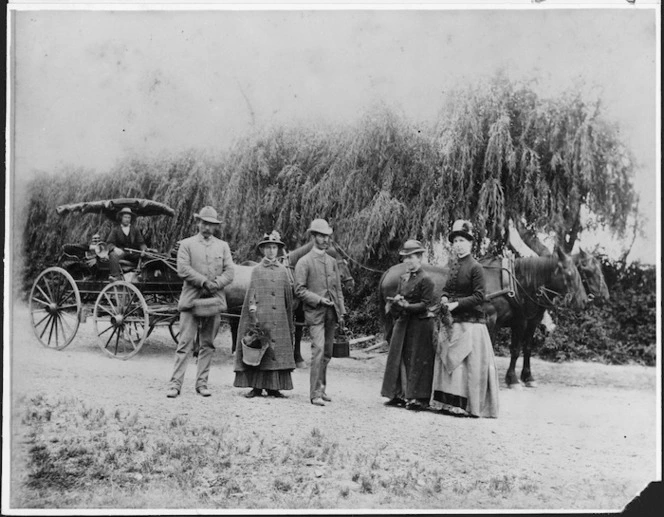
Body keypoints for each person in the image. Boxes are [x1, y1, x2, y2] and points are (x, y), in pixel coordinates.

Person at [430, 220, 499, 418]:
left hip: (470, 323)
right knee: (448, 361)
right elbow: (447, 289)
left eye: (462, 240)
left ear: (470, 243)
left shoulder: (476, 267)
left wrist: (456, 304)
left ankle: (465, 405)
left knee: (464, 365)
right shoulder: (453, 266)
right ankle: (446, 402)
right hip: (453, 322)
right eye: (455, 241)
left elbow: (479, 296)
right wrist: (444, 298)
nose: (458, 244)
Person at [166, 206, 235, 398]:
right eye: (204, 223)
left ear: (215, 227)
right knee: (185, 343)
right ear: (198, 223)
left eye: (211, 224)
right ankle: (175, 385)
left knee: (208, 344)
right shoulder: (186, 245)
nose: (207, 227)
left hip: (214, 300)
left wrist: (216, 284)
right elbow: (183, 269)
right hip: (191, 299)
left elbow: (230, 271)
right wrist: (203, 282)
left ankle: (202, 384)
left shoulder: (223, 246)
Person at [233, 231, 296, 398]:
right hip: (263, 317)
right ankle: (256, 387)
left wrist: (288, 320)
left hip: (279, 318)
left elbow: (288, 299)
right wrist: (253, 313)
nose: (271, 251)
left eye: (274, 247)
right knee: (261, 349)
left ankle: (275, 387)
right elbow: (251, 295)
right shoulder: (257, 271)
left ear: (278, 250)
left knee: (276, 350)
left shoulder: (283, 271)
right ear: (263, 250)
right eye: (268, 247)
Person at [294, 218, 346, 407]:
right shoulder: (304, 262)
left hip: (332, 314)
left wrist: (342, 311)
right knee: (318, 350)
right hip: (315, 314)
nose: (325, 240)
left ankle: (322, 388)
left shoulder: (332, 261)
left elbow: (338, 289)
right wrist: (318, 299)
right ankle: (314, 393)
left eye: (327, 236)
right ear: (313, 236)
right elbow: (299, 290)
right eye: (322, 236)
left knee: (328, 353)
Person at [380, 240, 436, 411]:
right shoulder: (403, 278)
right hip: (403, 322)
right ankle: (398, 394)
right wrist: (396, 302)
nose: (407, 261)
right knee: (398, 357)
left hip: (419, 324)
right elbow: (399, 295)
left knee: (416, 360)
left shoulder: (426, 280)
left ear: (419, 258)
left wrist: (406, 306)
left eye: (411, 257)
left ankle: (418, 398)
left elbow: (425, 305)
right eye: (405, 258)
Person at [105, 207, 148, 281]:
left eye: (129, 217)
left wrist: (143, 250)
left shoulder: (135, 229)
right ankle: (116, 277)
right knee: (113, 255)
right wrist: (115, 248)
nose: (127, 219)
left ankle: (142, 276)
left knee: (147, 256)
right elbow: (109, 243)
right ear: (121, 218)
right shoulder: (115, 230)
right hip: (121, 252)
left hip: (133, 253)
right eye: (125, 217)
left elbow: (141, 243)